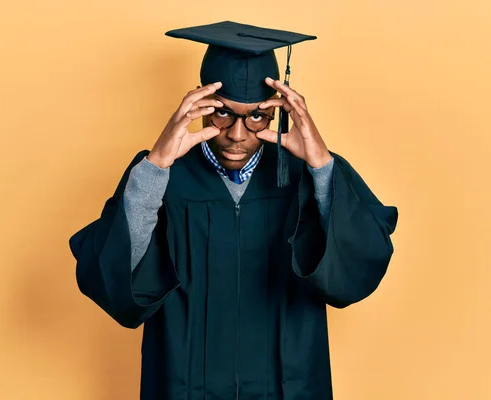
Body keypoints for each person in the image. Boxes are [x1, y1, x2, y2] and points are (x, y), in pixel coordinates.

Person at [69, 21, 398, 400]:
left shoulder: (305, 173)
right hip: (186, 385)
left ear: (278, 112)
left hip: (287, 385)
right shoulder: (161, 175)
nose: (238, 134)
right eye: (223, 114)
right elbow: (107, 271)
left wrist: (322, 166)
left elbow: (362, 260)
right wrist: (156, 167)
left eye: (257, 116)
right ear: (201, 107)